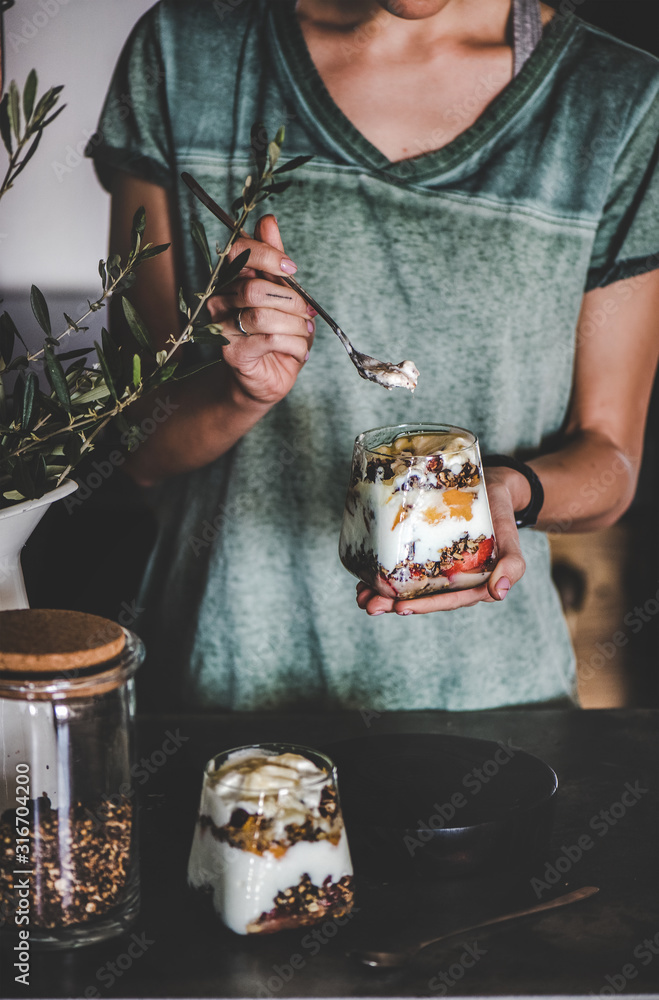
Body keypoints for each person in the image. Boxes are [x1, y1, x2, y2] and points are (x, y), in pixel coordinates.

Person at [87, 0, 659, 712]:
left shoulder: (618, 98)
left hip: (491, 710)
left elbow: (609, 458)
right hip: (219, 697)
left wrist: (506, 491)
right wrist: (238, 394)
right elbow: (133, 446)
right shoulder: (185, 53)